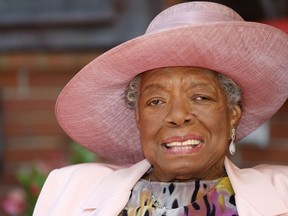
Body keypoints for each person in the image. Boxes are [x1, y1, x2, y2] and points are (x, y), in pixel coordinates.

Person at [33, 1, 288, 216]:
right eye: (156, 101)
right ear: (138, 118)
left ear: (233, 113)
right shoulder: (70, 190)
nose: (178, 116)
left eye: (200, 97)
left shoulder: (282, 192)